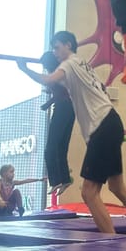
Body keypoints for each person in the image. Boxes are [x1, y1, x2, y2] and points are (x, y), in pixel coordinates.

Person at [18, 31, 126, 235]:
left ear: (68, 45)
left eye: (57, 47)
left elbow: (48, 80)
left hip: (102, 126)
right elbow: (99, 89)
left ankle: (110, 240)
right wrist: (114, 127)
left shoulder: (69, 64)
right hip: (111, 121)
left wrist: (24, 69)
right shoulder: (84, 65)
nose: (55, 52)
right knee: (117, 186)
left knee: (89, 192)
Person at [37, 50, 75, 197]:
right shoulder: (61, 73)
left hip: (63, 108)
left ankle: (55, 181)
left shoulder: (55, 74)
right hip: (70, 108)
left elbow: (61, 94)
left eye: (45, 66)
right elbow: (64, 93)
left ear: (49, 63)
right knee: (61, 147)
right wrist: (48, 103)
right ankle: (65, 180)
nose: (45, 69)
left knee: (50, 148)